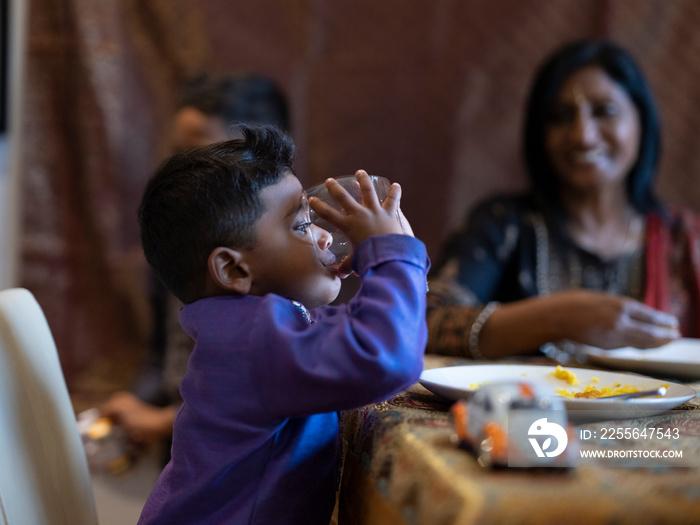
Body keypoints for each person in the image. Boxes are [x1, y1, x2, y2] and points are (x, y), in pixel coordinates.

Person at [136, 124, 429, 524]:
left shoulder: (241, 329)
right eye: (302, 225)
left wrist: (388, 266)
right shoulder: (254, 339)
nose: (326, 237)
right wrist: (393, 256)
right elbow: (386, 358)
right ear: (232, 268)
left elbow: (348, 336)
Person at [426, 39, 699, 361]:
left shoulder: (684, 237)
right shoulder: (503, 224)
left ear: (642, 120)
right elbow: (425, 324)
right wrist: (559, 318)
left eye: (604, 112)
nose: (583, 135)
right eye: (560, 116)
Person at [101, 73, 290, 456]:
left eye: (201, 154)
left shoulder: (283, 269)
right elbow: (163, 356)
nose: (182, 173)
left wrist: (159, 421)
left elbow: (251, 394)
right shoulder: (180, 243)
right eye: (177, 153)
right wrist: (132, 410)